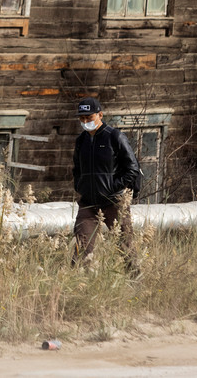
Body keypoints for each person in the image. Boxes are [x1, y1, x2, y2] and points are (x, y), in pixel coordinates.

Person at [72, 96, 141, 266]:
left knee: (125, 246)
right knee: (82, 248)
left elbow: (132, 168)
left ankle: (136, 280)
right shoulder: (81, 141)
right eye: (82, 118)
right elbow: (76, 169)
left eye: (89, 117)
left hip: (114, 201)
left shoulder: (114, 137)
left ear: (100, 115)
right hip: (88, 203)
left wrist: (113, 187)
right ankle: (78, 285)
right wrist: (81, 186)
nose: (86, 121)